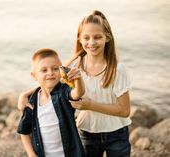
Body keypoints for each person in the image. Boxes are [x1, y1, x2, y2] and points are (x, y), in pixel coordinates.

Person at [18, 10, 132, 157]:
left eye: (97, 37)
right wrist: (24, 95)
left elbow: (124, 110)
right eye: (86, 37)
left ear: (107, 37)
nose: (91, 42)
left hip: (116, 133)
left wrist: (91, 106)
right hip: (87, 132)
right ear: (79, 39)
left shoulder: (117, 69)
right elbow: (50, 83)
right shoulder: (74, 66)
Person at [17, 48, 86, 157]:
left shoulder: (63, 92)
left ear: (61, 71)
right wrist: (31, 154)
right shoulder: (32, 101)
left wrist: (78, 80)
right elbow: (24, 131)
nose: (50, 73)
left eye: (55, 69)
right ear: (34, 75)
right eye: (44, 70)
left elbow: (77, 93)